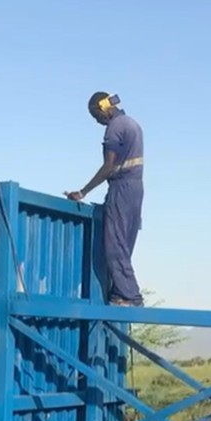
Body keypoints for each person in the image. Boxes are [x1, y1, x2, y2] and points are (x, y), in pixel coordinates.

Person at [65, 92, 145, 307]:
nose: (97, 121)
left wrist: (83, 192)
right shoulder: (132, 124)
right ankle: (120, 293)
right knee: (125, 243)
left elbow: (108, 166)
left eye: (95, 116)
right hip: (136, 188)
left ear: (102, 108)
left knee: (113, 244)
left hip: (122, 187)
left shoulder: (115, 127)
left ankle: (130, 295)